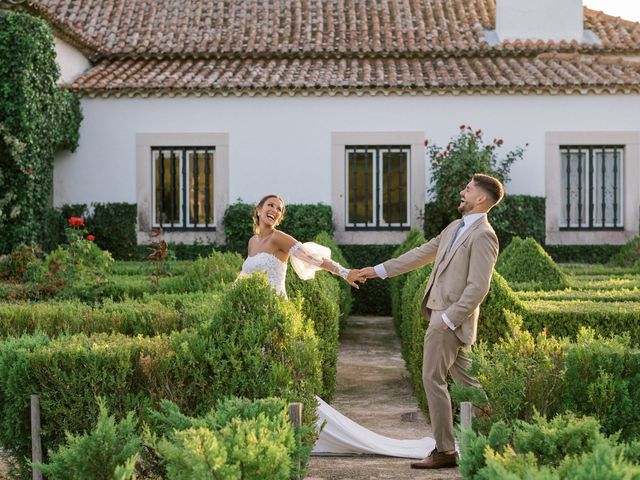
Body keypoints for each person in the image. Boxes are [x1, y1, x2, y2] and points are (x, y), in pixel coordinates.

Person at [239, 193, 435, 458]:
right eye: (270, 205)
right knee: (261, 372)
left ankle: (299, 425)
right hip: (254, 317)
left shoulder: (278, 238)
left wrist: (345, 273)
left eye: (279, 208)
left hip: (275, 314)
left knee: (276, 370)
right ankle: (269, 425)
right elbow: (245, 279)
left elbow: (313, 258)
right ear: (259, 209)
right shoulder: (253, 242)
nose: (275, 210)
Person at [358, 173, 504, 469]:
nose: (462, 192)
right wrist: (375, 271)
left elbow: (478, 287)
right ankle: (498, 441)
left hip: (448, 319)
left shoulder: (484, 235)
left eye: (468, 189)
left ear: (482, 199)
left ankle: (445, 451)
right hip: (443, 317)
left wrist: (448, 320)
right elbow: (419, 254)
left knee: (432, 379)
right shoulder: (454, 228)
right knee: (469, 384)